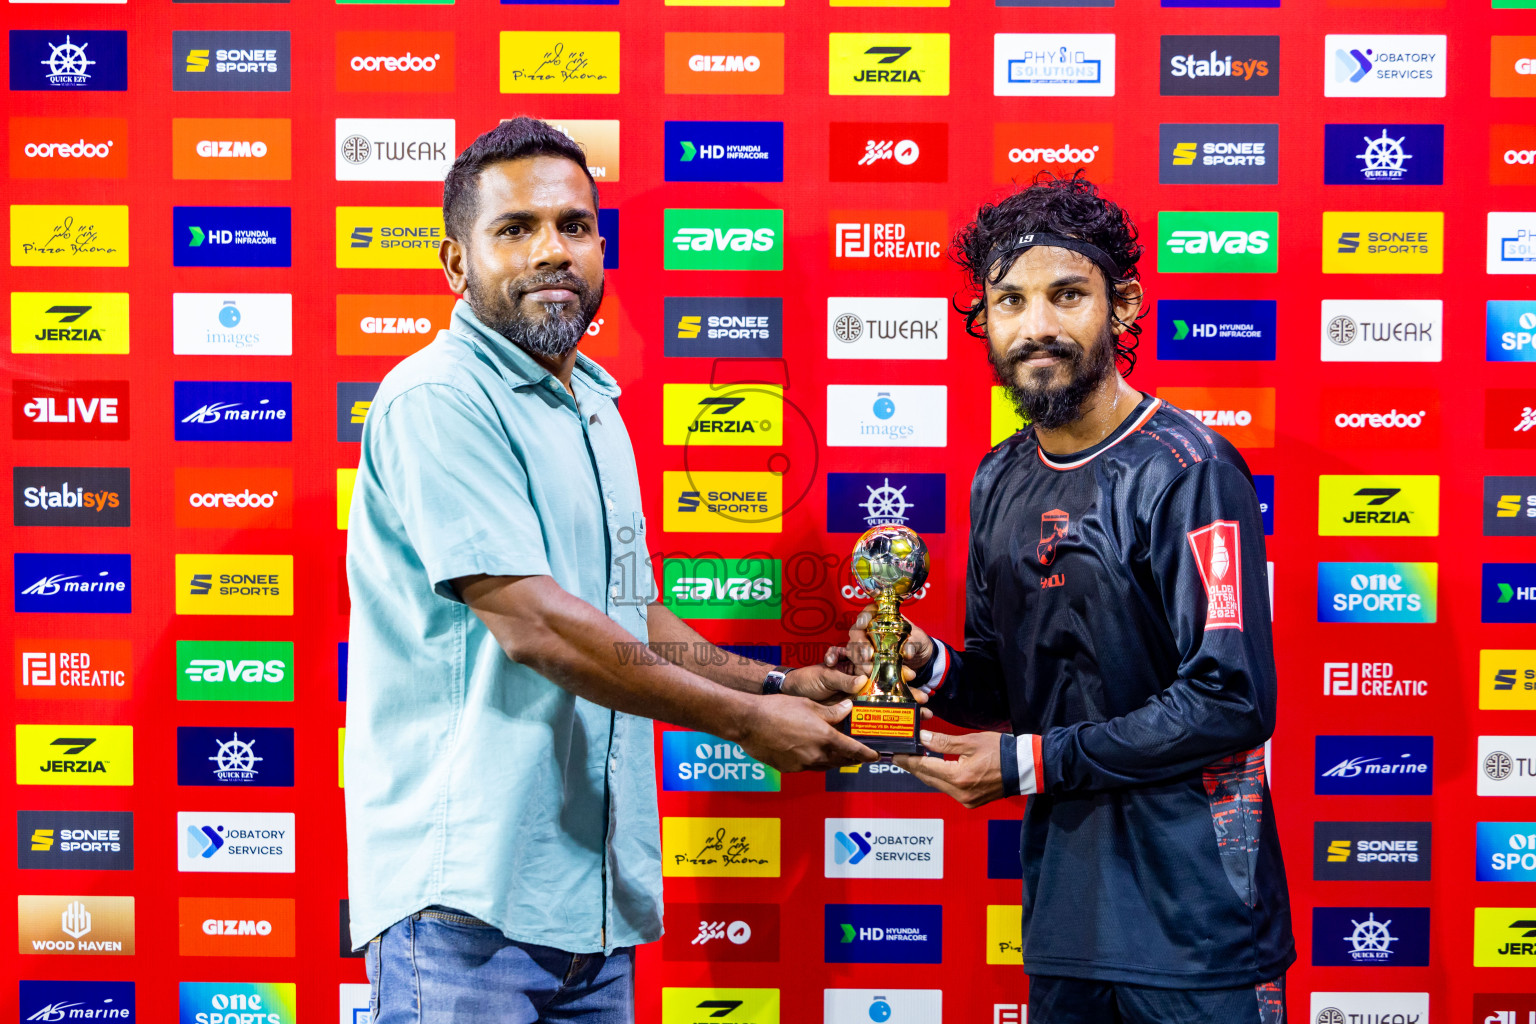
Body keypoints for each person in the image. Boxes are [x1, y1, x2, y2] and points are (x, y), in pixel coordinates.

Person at [343, 117, 876, 1024]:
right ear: (454, 263)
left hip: (588, 905)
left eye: (575, 226)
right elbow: (536, 624)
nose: (553, 250)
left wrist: (777, 679)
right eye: (516, 229)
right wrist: (748, 723)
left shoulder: (593, 402)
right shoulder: (438, 397)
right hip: (465, 905)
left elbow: (633, 617)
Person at [832, 173, 1294, 1024]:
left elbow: (1232, 696)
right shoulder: (999, 477)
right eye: (1009, 301)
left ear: (1122, 308)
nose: (1036, 326)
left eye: (1066, 295)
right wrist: (922, 664)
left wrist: (1027, 764)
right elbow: (1010, 687)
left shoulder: (1189, 470)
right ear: (985, 320)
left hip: (1199, 928)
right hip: (1066, 924)